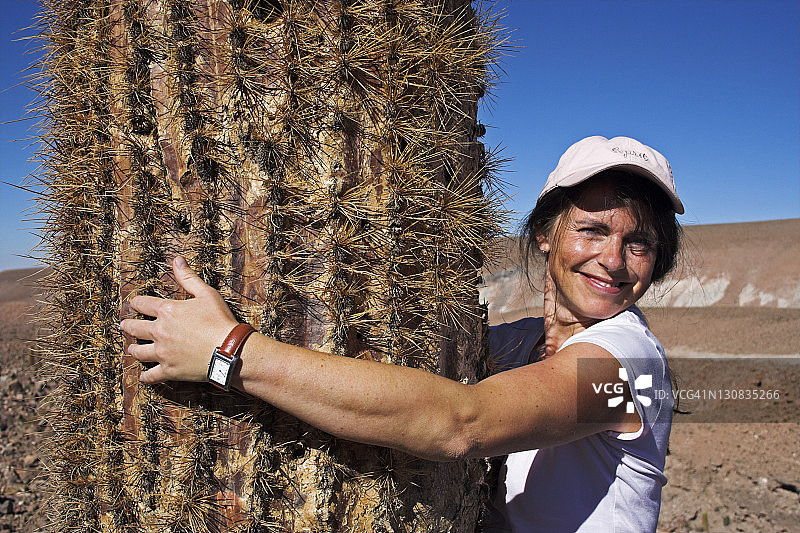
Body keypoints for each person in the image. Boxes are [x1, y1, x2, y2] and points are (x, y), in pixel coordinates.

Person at [120, 135, 683, 532]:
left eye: (640, 244)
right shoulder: (523, 341)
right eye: (592, 230)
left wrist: (228, 351)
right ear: (546, 234)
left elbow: (462, 423)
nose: (614, 259)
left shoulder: (626, 364)